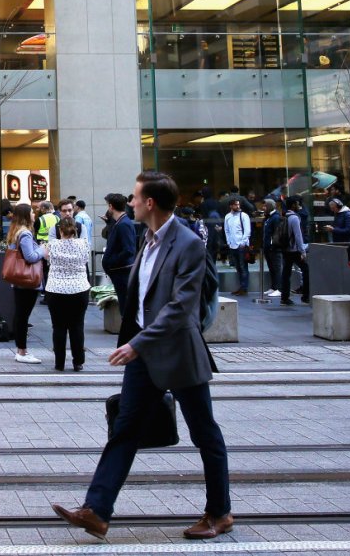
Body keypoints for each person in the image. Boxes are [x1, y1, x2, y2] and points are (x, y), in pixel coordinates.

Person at [52, 171, 232, 542]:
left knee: (204, 433)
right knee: (125, 429)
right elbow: (143, 298)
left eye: (135, 197)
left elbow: (182, 307)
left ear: (150, 203)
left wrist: (138, 342)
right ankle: (97, 511)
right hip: (143, 354)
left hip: (178, 354)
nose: (130, 202)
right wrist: (134, 341)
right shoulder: (144, 239)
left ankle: (220, 512)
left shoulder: (188, 244)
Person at [46, 216, 91, 371]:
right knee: (77, 326)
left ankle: (59, 363)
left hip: (56, 289)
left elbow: (47, 259)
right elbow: (86, 260)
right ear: (75, 230)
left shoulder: (52, 245)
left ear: (60, 230)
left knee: (58, 327)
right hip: (79, 288)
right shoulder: (83, 244)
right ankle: (78, 361)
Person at [5, 203, 46, 364]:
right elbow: (29, 256)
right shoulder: (26, 234)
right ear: (25, 216)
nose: (34, 215)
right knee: (23, 316)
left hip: (18, 280)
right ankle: (22, 351)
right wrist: (42, 250)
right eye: (31, 212)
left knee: (20, 314)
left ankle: (20, 349)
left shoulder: (15, 232)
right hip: (27, 281)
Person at [102, 193, 137, 308]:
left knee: (125, 305)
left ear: (111, 206)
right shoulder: (120, 222)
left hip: (121, 272)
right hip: (119, 270)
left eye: (108, 206)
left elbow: (129, 250)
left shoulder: (123, 224)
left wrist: (111, 262)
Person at [279, 196, 307, 305]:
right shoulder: (294, 218)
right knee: (306, 269)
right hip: (294, 250)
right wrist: (302, 251)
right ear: (293, 205)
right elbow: (298, 235)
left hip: (285, 249)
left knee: (286, 273)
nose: (299, 205)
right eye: (297, 203)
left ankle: (284, 297)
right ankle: (305, 295)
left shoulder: (284, 216)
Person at [223, 198, 251, 297]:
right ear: (231, 206)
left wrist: (243, 243)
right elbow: (226, 230)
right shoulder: (227, 217)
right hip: (232, 245)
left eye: (238, 205)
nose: (238, 206)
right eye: (235, 205)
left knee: (243, 267)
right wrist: (229, 242)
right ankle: (241, 287)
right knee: (238, 267)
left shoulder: (244, 216)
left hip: (241, 245)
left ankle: (244, 288)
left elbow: (247, 231)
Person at [260, 199, 282, 298]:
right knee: (272, 268)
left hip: (274, 248)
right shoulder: (268, 217)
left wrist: (274, 245)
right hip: (268, 247)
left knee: (277, 268)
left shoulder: (276, 217)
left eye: (265, 206)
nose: (263, 208)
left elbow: (276, 233)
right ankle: (273, 287)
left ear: (270, 206)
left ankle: (279, 288)